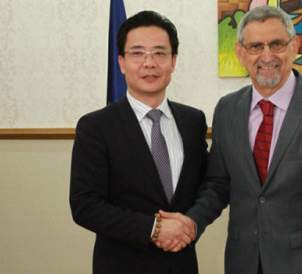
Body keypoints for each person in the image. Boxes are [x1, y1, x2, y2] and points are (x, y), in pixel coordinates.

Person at [160, 6, 302, 274]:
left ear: (294, 47)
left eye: (277, 44)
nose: (267, 56)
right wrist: (191, 224)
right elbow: (218, 184)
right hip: (242, 262)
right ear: (240, 53)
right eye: (255, 46)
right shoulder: (227, 109)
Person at [70, 10, 207, 274]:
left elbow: (206, 185)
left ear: (173, 61)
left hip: (181, 264)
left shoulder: (193, 121)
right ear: (121, 62)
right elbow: (85, 205)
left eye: (159, 53)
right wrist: (153, 229)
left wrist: (190, 224)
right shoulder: (96, 126)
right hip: (122, 265)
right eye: (137, 53)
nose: (149, 63)